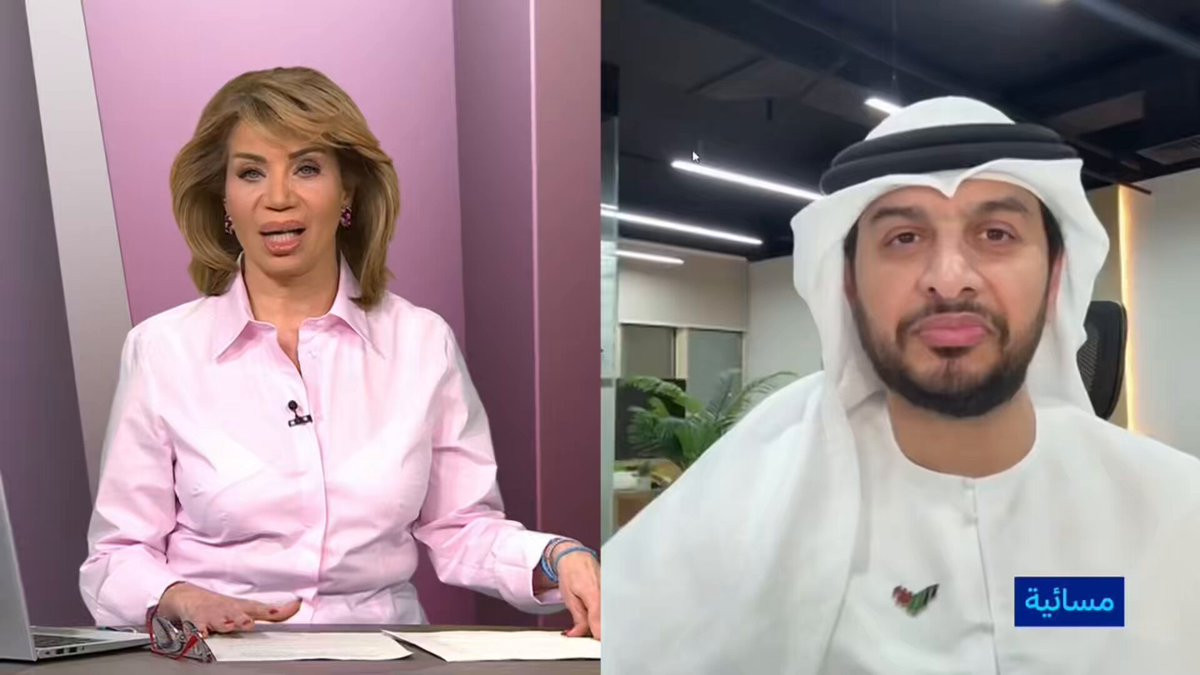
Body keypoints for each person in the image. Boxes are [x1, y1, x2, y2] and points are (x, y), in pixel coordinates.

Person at [602, 97, 1200, 673]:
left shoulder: (1174, 509)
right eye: (904, 239)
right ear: (848, 284)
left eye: (996, 234)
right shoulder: (746, 502)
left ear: (1055, 276)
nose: (950, 279)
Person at [79, 67, 600, 638]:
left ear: (347, 190)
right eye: (251, 173)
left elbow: (462, 528)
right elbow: (116, 556)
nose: (278, 198)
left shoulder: (422, 342)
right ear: (224, 199)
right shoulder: (162, 351)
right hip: (221, 653)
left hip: (384, 651)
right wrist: (178, 597)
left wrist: (557, 557)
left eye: (307, 168)